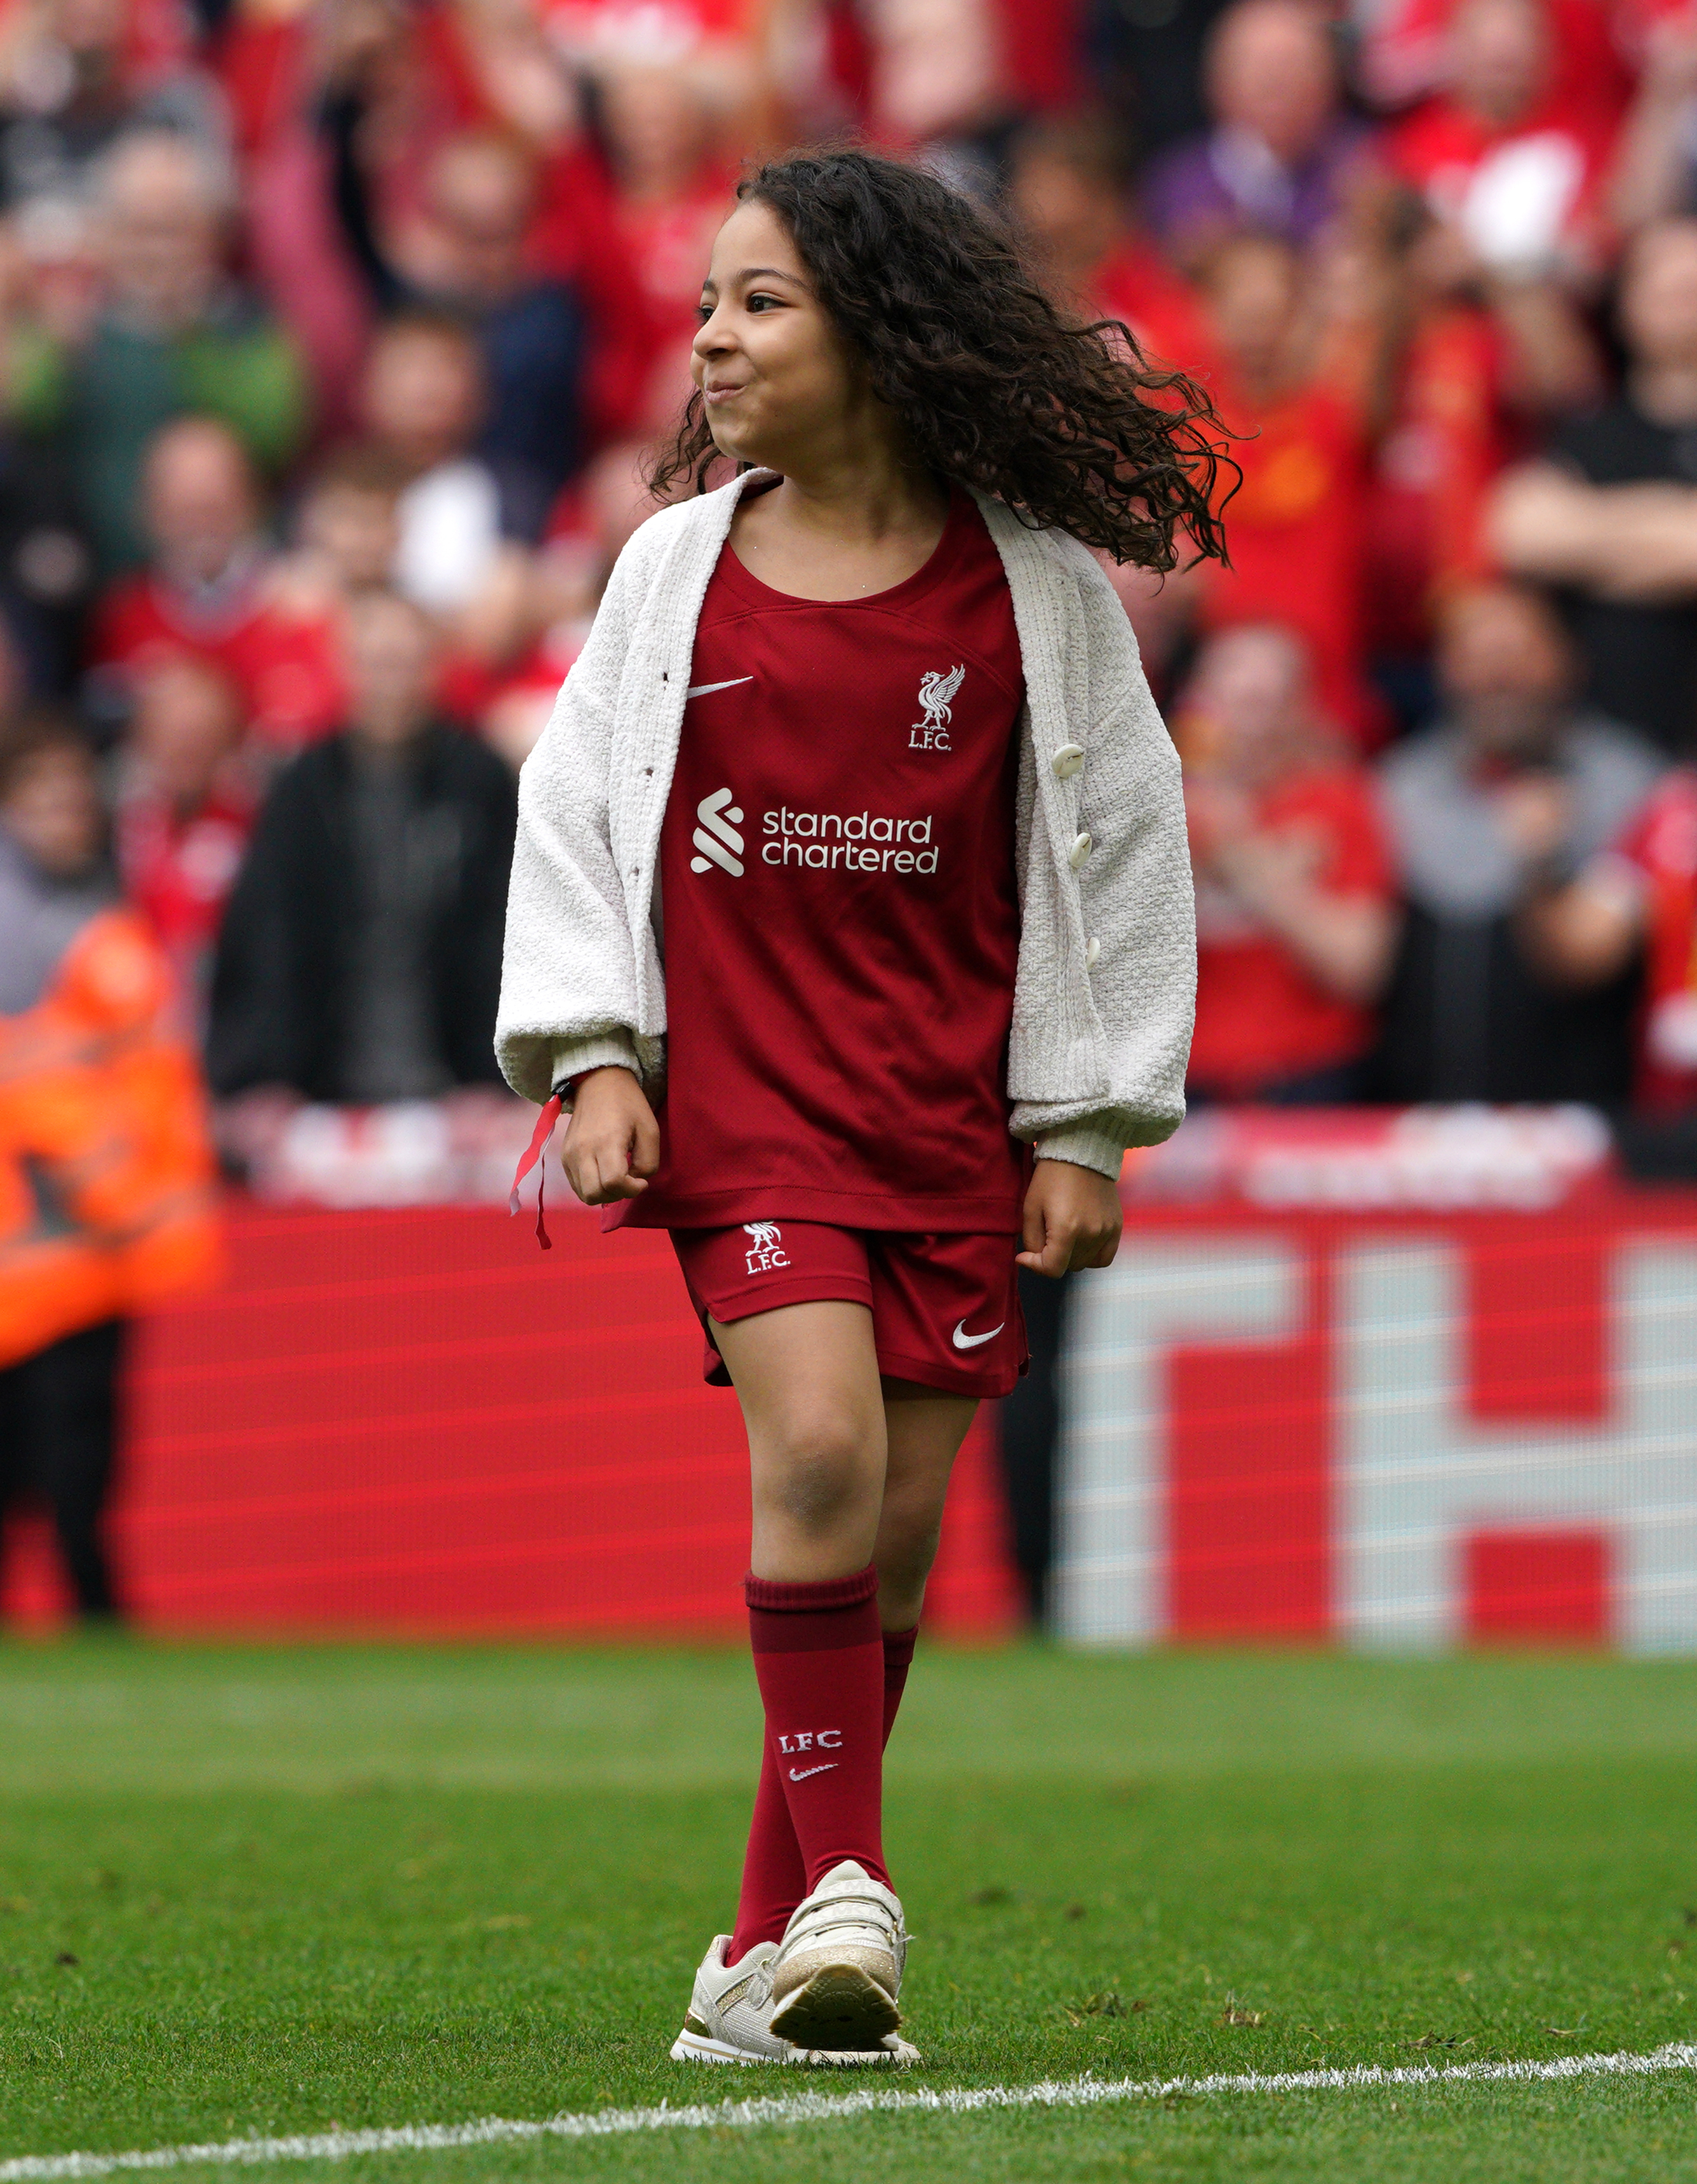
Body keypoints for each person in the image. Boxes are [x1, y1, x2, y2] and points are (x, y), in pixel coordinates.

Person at [496, 149, 1216, 2064]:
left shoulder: (1036, 592)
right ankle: (855, 1907)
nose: (711, 340)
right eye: (707, 304)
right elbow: (572, 814)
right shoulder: (671, 568)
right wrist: (591, 1054)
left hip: (942, 1130)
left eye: (759, 301)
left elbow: (1120, 853)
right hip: (742, 1115)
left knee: (884, 1548)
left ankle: (763, 1951)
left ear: (876, 335)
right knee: (810, 1463)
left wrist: (1084, 1123)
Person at [0, 720, 219, 1621]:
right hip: (46, 1232)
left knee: (83, 1448)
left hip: (88, 1242)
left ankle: (90, 1599)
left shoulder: (91, 908)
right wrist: (108, 1176)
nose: (67, 815)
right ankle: (92, 1605)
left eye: (75, 797)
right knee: (43, 1452)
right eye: (45, 799)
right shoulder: (39, 932)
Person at [208, 586, 518, 1105]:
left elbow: (504, 937)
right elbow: (268, 939)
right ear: (343, 667)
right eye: (376, 662)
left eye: (407, 661)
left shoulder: (479, 778)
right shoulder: (303, 787)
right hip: (323, 1088)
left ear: (436, 666)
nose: (392, 682)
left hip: (458, 1093)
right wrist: (266, 1076)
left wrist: (494, 1078)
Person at [1373, 581, 1665, 1102]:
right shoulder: (1398, 789)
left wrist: (1543, 861)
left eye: (1519, 654)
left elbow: (1588, 960)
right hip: (1415, 1120)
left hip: (1586, 1121)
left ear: (1571, 663)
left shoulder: (1633, 787)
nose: (1499, 677)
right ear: (1444, 671)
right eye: (1477, 656)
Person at [8, 128, 309, 576]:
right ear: (106, 234)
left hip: (220, 584)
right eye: (139, 230)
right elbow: (27, 412)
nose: (157, 251)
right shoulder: (77, 325)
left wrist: (188, 333)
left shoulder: (245, 324)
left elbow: (274, 432)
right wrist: (55, 348)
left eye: (175, 230)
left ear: (212, 232)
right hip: (98, 576)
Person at [1491, 217, 1697, 757]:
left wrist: (1590, 540)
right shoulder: (1586, 432)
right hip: (1606, 751)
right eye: (1664, 280)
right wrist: (1675, 532)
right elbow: (1520, 534)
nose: (1684, 292)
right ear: (1626, 304)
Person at [1179, 626, 1397, 1102]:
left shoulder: (1339, 802)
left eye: (1269, 703)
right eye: (1235, 699)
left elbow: (1359, 968)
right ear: (1196, 706)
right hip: (1183, 1078)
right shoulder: (1158, 808)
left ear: (1304, 712)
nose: (1251, 724)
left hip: (1310, 1074)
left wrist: (1243, 857)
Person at [88, 416, 344, 753]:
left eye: (215, 507)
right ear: (149, 512)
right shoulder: (123, 618)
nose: (201, 527)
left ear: (252, 501)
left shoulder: (312, 610)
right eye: (183, 510)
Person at [1141, 0, 1372, 267]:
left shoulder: (1363, 169)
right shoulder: (1174, 187)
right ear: (1218, 80)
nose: (1274, 84)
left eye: (1292, 66)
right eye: (1258, 67)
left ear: (1330, 81)